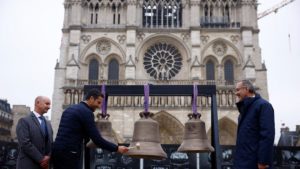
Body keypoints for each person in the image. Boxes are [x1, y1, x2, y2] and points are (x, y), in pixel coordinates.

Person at [52, 88, 129, 169]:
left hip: (57, 151)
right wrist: (117, 148)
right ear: (91, 99)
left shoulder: (69, 109)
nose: (99, 106)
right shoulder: (86, 112)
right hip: (70, 153)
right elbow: (97, 139)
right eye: (98, 102)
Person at [234, 80, 275, 169]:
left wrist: (263, 162)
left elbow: (267, 135)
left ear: (247, 89)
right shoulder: (243, 111)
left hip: (256, 164)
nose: (235, 93)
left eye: (238, 90)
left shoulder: (263, 106)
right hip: (243, 163)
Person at [16, 96, 53, 169]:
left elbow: (50, 143)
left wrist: (49, 157)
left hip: (44, 166)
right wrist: (41, 159)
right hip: (28, 165)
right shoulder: (24, 121)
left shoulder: (48, 124)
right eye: (47, 104)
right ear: (37, 103)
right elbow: (25, 143)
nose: (49, 107)